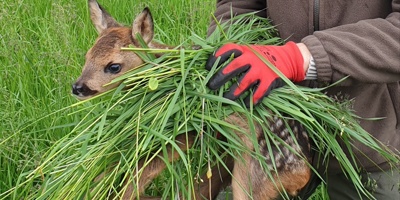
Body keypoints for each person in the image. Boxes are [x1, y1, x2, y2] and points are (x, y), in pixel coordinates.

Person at [205, 0, 400, 199]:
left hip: (371, 139)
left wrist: (300, 58)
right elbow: (239, 6)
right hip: (271, 133)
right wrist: (222, 62)